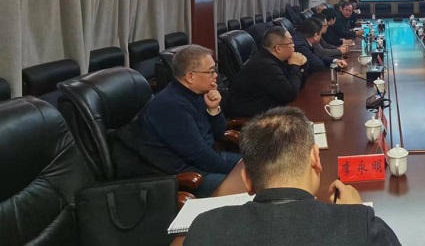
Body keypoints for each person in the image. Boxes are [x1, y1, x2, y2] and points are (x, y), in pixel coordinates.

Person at [184, 107, 402, 246]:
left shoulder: (204, 228)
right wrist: (353, 214)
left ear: (246, 179)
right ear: (315, 159)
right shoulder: (364, 227)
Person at [121, 45, 241, 197]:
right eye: (211, 71)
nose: (216, 75)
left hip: (208, 158)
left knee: (263, 165)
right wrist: (242, 173)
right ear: (190, 76)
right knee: (256, 182)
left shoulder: (198, 94)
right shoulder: (171, 105)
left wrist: (213, 109)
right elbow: (198, 155)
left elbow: (219, 133)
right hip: (188, 175)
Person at [227, 26, 307, 118]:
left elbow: (297, 85)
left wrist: (302, 65)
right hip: (254, 117)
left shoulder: (277, 59)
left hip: (272, 107)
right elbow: (290, 94)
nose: (294, 45)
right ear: (278, 48)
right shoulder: (265, 65)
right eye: (291, 42)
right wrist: (295, 65)